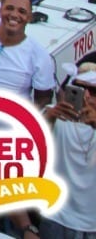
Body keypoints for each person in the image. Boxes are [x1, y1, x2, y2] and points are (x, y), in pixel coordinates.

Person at [38, 69, 96, 239]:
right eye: (80, 90)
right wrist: (49, 118)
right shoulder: (54, 115)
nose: (87, 97)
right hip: (56, 219)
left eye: (93, 91)